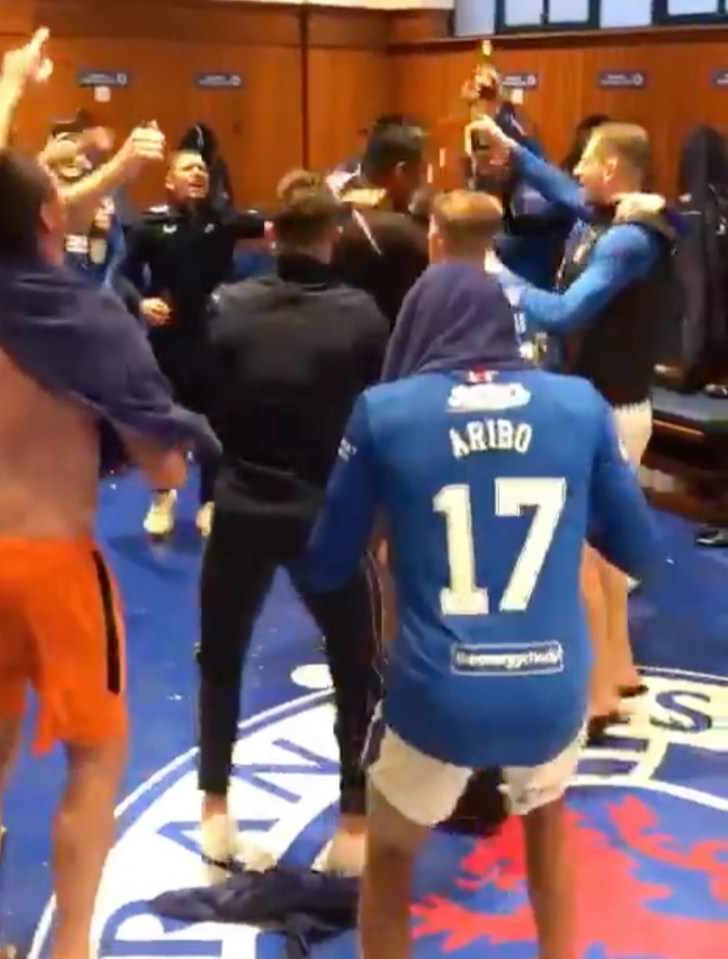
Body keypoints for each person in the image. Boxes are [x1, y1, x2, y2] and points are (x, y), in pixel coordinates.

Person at [299, 195, 660, 959]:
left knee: (391, 856)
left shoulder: (387, 412)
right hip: (550, 684)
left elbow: (328, 562)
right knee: (548, 833)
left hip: (439, 688)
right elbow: (639, 548)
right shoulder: (577, 405)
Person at [0, 141, 222, 959]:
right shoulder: (85, 320)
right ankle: (72, 945)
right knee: (95, 754)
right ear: (52, 217)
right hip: (52, 559)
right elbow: (161, 460)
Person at [197, 170, 388, 878]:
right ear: (334, 238)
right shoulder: (364, 317)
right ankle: (353, 823)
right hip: (326, 511)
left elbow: (205, 402)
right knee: (356, 667)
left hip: (243, 500)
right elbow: (378, 416)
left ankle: (213, 811)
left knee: (220, 657)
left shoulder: (228, 307)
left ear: (270, 236)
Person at [472, 114, 681, 734]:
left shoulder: (627, 240)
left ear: (612, 170)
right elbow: (563, 189)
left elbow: (564, 314)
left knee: (583, 559)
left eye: (586, 161)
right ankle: (619, 673)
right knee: (606, 559)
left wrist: (496, 274)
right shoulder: (614, 218)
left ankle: (593, 698)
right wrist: (514, 149)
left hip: (609, 412)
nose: (577, 172)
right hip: (611, 406)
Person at [120, 149, 266, 538]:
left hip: (216, 339)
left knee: (216, 426)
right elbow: (122, 277)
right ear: (170, 180)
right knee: (163, 423)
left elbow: (272, 225)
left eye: (203, 168)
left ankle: (209, 502)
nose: (198, 173)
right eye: (188, 168)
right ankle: (163, 499)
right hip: (169, 340)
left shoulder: (225, 221)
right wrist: (141, 302)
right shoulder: (149, 225)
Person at [334, 118, 429, 327]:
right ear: (401, 172)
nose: (423, 183)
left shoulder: (325, 199)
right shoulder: (404, 232)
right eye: (421, 172)